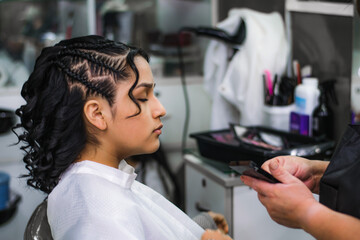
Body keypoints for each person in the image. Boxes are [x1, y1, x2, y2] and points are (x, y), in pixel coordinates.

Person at [14, 35, 231, 240]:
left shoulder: (95, 182)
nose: (160, 109)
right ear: (97, 114)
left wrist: (198, 226)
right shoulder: (100, 216)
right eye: (142, 97)